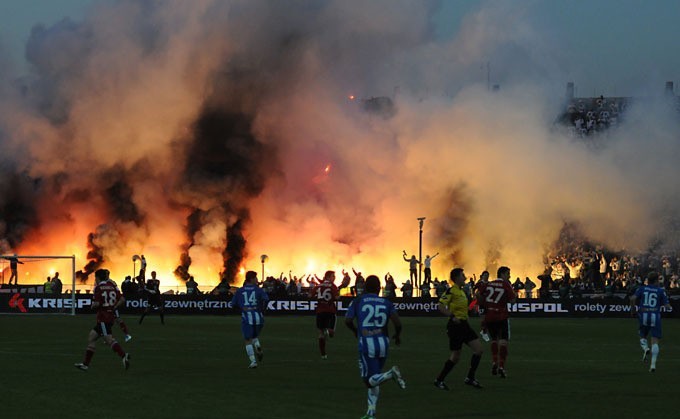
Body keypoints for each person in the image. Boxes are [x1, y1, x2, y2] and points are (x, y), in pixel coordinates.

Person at [345, 275, 405, 419]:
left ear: (365, 287)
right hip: (384, 343)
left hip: (367, 343)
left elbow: (347, 320)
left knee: (368, 380)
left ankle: (390, 374)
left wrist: (355, 331)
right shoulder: (386, 302)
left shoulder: (358, 301)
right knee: (375, 378)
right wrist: (397, 335)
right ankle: (371, 413)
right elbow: (398, 323)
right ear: (379, 288)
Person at [434, 267, 483, 390]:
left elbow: (468, 307)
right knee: (455, 356)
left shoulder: (462, 292)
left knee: (478, 350)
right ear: (456, 278)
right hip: (455, 326)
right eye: (463, 275)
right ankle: (439, 380)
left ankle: (470, 378)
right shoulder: (451, 291)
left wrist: (476, 300)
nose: (465, 277)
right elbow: (440, 306)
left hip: (464, 325)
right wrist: (452, 316)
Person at [74, 268, 130, 371]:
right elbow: (122, 299)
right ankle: (85, 364)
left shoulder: (98, 288)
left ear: (98, 278)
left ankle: (123, 355)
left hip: (103, 317)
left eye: (95, 277)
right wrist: (114, 307)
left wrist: (92, 306)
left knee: (109, 339)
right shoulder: (112, 286)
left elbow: (97, 303)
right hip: (109, 316)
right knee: (92, 337)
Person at [476, 266, 516, 378]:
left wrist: (483, 304)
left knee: (494, 339)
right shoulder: (506, 284)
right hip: (501, 316)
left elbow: (478, 294)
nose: (509, 276)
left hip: (489, 316)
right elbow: (513, 301)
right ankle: (501, 366)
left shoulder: (489, 284)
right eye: (508, 273)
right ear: (502, 274)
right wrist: (507, 299)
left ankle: (494, 361)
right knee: (503, 341)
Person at [630, 271, 672, 372]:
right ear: (656, 280)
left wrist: (633, 311)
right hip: (655, 316)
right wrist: (668, 306)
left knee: (642, 335)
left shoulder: (642, 288)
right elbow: (667, 306)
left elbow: (632, 299)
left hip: (643, 314)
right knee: (655, 340)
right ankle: (653, 365)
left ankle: (645, 349)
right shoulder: (660, 291)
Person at [231, 270, 269, 368]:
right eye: (256, 278)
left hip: (247, 318)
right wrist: (262, 310)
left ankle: (253, 361)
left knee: (247, 339)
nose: (257, 279)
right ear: (251, 279)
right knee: (254, 336)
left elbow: (233, 304)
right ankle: (258, 347)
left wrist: (242, 309)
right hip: (259, 318)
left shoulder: (240, 290)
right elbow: (266, 300)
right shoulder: (259, 290)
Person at [309, 270, 339, 359]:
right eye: (333, 276)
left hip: (320, 311)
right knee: (331, 333)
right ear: (328, 277)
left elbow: (310, 296)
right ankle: (328, 331)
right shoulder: (333, 286)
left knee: (321, 333)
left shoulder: (318, 286)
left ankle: (323, 355)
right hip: (330, 311)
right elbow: (337, 297)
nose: (334, 278)